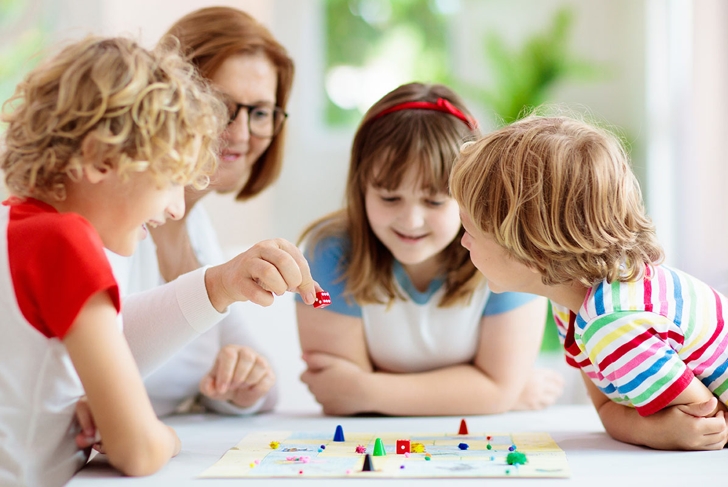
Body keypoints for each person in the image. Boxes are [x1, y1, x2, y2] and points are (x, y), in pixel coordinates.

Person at [0, 36, 224, 486]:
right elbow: (137, 451)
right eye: (171, 179)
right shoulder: (65, 241)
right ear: (101, 159)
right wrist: (164, 437)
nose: (177, 208)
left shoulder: (13, 227)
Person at [450, 114, 728, 450]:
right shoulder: (575, 303)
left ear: (532, 252)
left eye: (472, 231)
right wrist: (646, 427)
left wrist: (654, 431)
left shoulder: (613, 322)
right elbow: (608, 409)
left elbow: (707, 424)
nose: (463, 242)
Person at [296, 83, 564, 416]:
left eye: (434, 201)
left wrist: (368, 389)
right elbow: (339, 397)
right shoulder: (330, 252)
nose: (411, 220)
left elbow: (355, 392)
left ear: (469, 195)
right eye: (389, 197)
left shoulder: (508, 249)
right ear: (361, 186)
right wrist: (490, 395)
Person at [108, 6, 295, 417]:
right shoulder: (111, 220)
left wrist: (243, 384)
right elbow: (95, 361)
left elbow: (263, 386)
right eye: (220, 106)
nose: (242, 133)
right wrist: (220, 284)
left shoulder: (196, 226)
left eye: (260, 112)